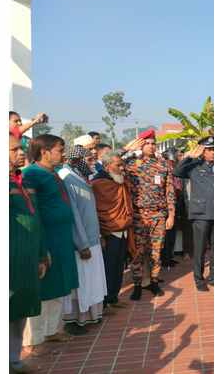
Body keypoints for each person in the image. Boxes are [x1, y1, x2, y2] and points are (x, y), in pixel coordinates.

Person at [22, 135, 79, 351]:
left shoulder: (53, 173)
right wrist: (40, 246)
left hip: (62, 238)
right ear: (44, 152)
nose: (62, 154)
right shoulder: (31, 175)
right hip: (46, 240)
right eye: (59, 149)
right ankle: (34, 340)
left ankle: (52, 330)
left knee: (59, 286)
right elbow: (31, 211)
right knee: (43, 289)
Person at [174, 136, 214, 292]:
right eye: (209, 149)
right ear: (202, 151)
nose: (213, 152)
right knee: (200, 249)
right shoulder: (194, 166)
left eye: (213, 149)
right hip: (200, 214)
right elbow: (177, 171)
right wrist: (189, 157)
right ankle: (199, 279)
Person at [120, 130, 176, 299]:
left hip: (158, 215)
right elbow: (111, 162)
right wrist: (126, 149)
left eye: (153, 143)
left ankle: (154, 281)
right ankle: (137, 284)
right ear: (141, 145)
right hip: (139, 216)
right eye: (147, 143)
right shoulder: (130, 164)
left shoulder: (163, 165)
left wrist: (171, 215)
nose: (151, 146)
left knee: (156, 251)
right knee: (138, 252)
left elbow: (170, 191)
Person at [58, 146, 108, 334]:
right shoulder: (67, 178)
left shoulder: (80, 177)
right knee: (81, 283)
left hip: (92, 238)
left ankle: (91, 316)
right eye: (88, 160)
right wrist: (82, 244)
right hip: (81, 243)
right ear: (75, 161)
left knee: (92, 281)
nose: (93, 164)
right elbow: (74, 215)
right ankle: (76, 320)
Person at [9, 134, 47, 373]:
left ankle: (14, 359)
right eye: (14, 149)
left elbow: (35, 219)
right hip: (10, 259)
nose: (21, 153)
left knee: (20, 309)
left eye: (21, 149)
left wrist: (42, 253)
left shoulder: (18, 182)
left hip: (27, 258)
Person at [91, 150, 134, 309]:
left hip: (123, 229)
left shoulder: (120, 181)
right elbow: (97, 209)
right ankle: (104, 301)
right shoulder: (98, 183)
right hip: (109, 231)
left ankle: (114, 297)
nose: (122, 168)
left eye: (122, 165)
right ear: (108, 166)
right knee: (108, 268)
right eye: (118, 165)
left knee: (119, 266)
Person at [161, 148, 181, 268]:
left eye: (173, 161)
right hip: (166, 206)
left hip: (175, 204)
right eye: (170, 161)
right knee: (166, 235)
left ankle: (169, 256)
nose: (172, 163)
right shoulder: (163, 171)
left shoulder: (175, 171)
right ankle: (165, 259)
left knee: (172, 234)